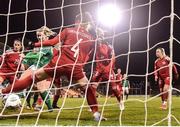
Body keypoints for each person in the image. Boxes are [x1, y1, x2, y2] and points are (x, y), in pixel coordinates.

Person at [0, 12, 105, 121]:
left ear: (76, 21)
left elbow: (52, 42)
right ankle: (96, 114)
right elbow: (88, 57)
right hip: (75, 67)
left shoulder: (68, 30)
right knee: (87, 88)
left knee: (31, 79)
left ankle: (2, 92)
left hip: (58, 64)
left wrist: (33, 44)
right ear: (87, 24)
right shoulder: (92, 39)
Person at [87, 28, 124, 115]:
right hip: (98, 70)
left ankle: (121, 102)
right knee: (92, 88)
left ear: (103, 36)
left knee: (114, 88)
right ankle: (93, 105)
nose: (98, 37)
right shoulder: (95, 44)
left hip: (108, 70)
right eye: (97, 35)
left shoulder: (109, 46)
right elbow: (89, 54)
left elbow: (113, 59)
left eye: (99, 35)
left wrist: (109, 68)